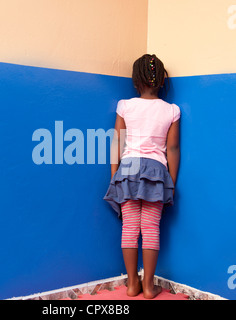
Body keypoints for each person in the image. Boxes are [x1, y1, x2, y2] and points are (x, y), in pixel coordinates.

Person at [104, 54, 180, 299]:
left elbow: (118, 140)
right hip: (156, 172)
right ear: (161, 81)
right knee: (150, 228)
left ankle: (131, 285)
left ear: (136, 81)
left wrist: (114, 173)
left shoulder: (125, 105)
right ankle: (148, 287)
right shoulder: (171, 110)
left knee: (129, 227)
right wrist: (172, 182)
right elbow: (173, 149)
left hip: (127, 170)